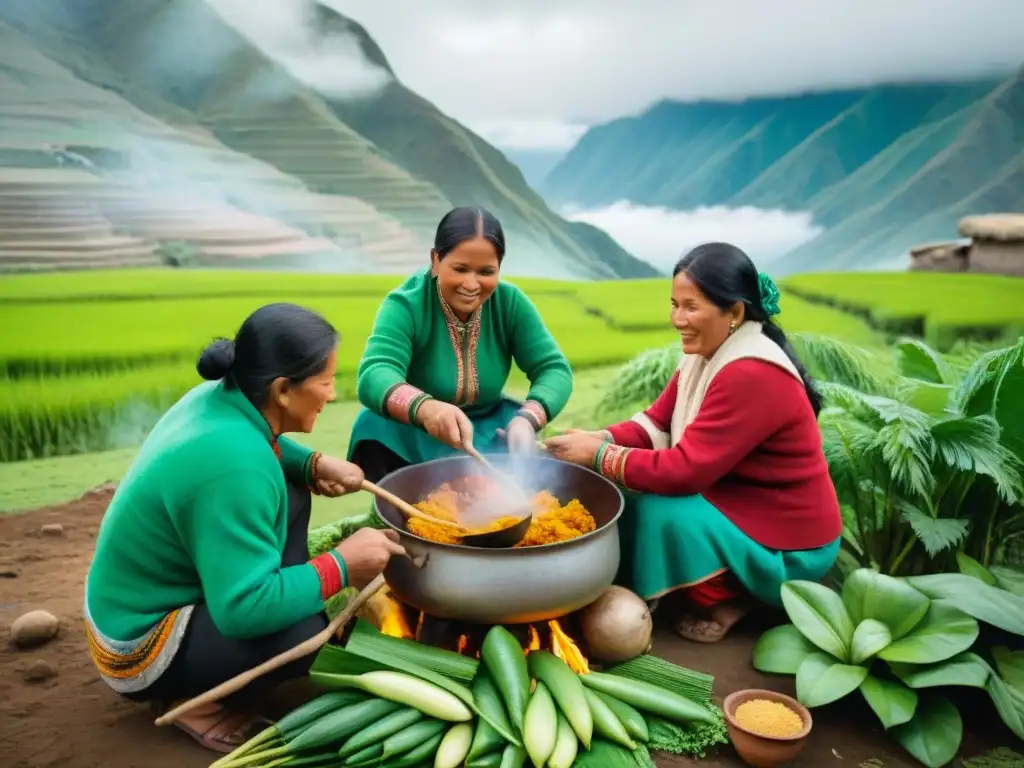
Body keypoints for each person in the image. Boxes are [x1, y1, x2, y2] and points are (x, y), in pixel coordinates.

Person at [84, 303, 407, 753]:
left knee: (292, 491)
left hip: (142, 599)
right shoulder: (236, 468)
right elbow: (242, 610)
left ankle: (267, 609)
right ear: (282, 390)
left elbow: (262, 443)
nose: (333, 394)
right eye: (327, 381)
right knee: (303, 634)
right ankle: (195, 702)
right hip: (138, 645)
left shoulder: (222, 398)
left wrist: (312, 463)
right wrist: (342, 565)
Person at [544, 243, 842, 644]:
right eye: (674, 304)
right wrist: (600, 439)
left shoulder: (751, 373)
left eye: (691, 307)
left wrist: (599, 456)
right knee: (625, 492)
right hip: (738, 503)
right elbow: (655, 423)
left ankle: (744, 600)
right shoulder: (705, 353)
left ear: (734, 313)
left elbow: (685, 471)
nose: (677, 319)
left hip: (789, 541)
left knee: (659, 512)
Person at [348, 206, 574, 481]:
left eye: (486, 271)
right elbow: (375, 372)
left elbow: (553, 369)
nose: (471, 284)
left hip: (490, 431)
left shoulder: (510, 302)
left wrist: (527, 420)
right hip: (415, 432)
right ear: (435, 260)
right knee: (373, 425)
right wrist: (425, 409)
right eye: (460, 268)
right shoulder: (406, 305)